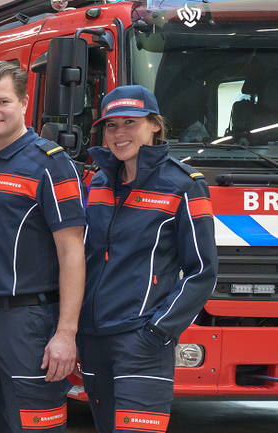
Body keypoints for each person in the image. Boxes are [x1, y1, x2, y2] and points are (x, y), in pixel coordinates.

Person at [0, 60, 87, 432]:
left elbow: (72, 251)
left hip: (28, 323)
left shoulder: (52, 165)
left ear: (25, 103)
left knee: (35, 425)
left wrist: (66, 333)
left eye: (3, 101)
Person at [79, 85, 217, 433]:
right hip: (93, 341)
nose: (119, 133)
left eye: (130, 122)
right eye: (111, 125)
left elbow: (203, 271)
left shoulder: (183, 186)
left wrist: (158, 330)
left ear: (154, 125)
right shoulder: (96, 184)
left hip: (142, 342)